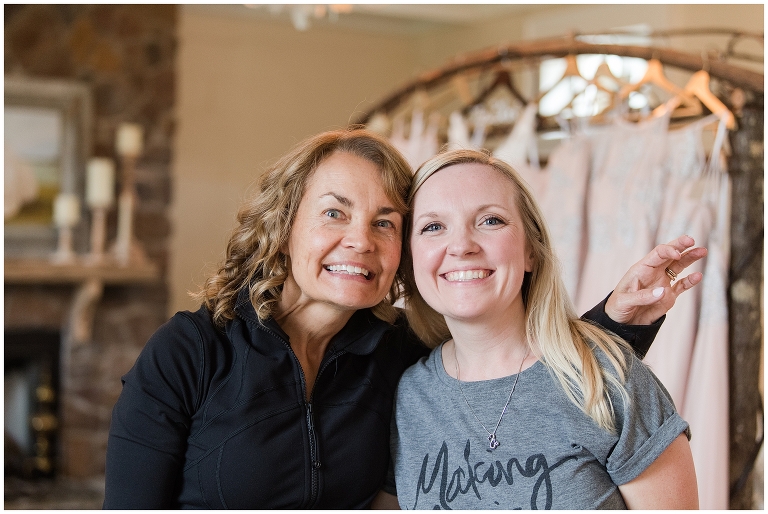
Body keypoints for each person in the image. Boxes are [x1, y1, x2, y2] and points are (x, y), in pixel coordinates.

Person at [103, 129, 704, 509]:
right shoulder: (191, 352)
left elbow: (519, 366)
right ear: (283, 227)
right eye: (334, 213)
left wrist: (614, 326)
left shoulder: (395, 355)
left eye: (385, 223)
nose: (360, 240)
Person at [379, 149, 700, 510]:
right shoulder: (408, 396)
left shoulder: (608, 378)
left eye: (490, 220)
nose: (462, 246)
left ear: (530, 251)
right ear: (410, 257)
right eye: (433, 227)